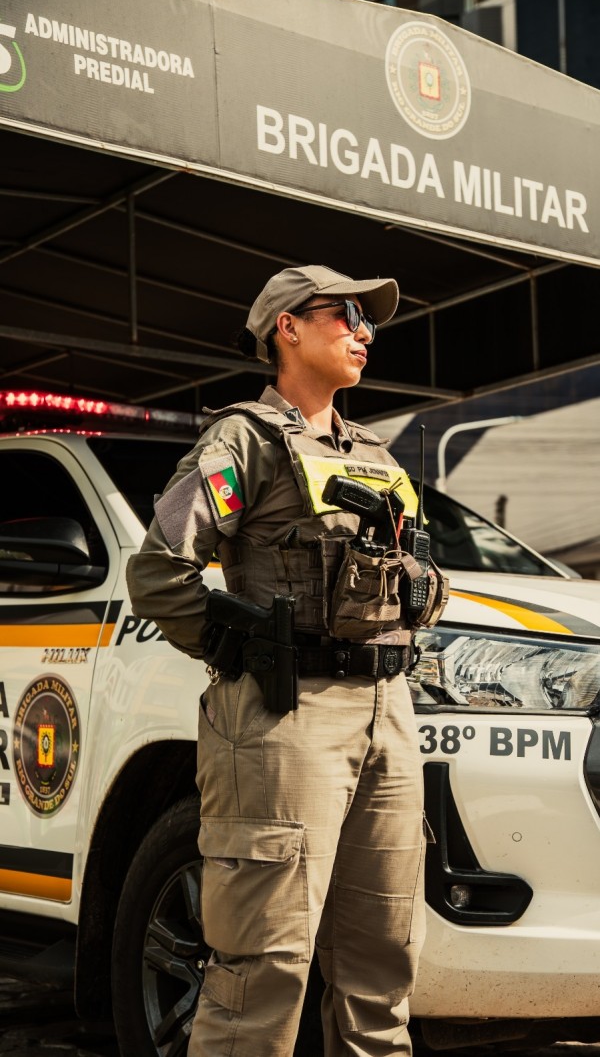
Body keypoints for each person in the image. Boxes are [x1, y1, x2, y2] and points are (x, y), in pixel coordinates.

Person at [126, 265, 447, 1057]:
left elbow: (422, 576)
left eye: (368, 320)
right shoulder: (244, 438)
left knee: (382, 971)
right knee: (261, 972)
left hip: (387, 713)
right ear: (287, 328)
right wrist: (233, 647)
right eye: (344, 313)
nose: (363, 331)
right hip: (286, 716)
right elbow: (159, 569)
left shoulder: (374, 453)